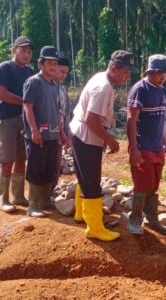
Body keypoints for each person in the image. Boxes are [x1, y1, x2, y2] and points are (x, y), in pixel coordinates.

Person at [70, 50, 138, 241]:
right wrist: (110, 139)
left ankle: (81, 214)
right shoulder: (104, 87)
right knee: (92, 182)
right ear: (114, 69)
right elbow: (92, 120)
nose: (127, 77)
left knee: (85, 176)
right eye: (125, 72)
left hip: (80, 133)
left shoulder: (102, 77)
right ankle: (94, 228)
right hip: (87, 136)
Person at [127, 54, 166, 235]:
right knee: (142, 185)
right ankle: (134, 221)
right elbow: (131, 120)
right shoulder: (140, 89)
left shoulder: (162, 90)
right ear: (150, 72)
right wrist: (134, 149)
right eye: (160, 74)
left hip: (156, 147)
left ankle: (152, 219)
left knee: (153, 185)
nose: (163, 77)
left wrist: (164, 142)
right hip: (142, 146)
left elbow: (160, 119)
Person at [23, 46, 66, 217]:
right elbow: (28, 107)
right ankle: (32, 205)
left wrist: (61, 133)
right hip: (37, 135)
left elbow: (56, 111)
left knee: (49, 167)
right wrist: (34, 130)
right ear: (41, 63)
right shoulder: (33, 82)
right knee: (36, 168)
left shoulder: (54, 85)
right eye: (49, 63)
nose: (53, 66)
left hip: (52, 134)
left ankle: (45, 200)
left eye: (55, 63)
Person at [0, 36, 34, 213]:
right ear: (14, 50)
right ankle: (3, 198)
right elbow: (1, 93)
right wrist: (25, 102)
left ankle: (18, 195)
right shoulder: (5, 68)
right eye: (23, 50)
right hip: (7, 119)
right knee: (7, 159)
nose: (26, 54)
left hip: (23, 119)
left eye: (29, 51)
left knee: (21, 157)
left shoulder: (29, 72)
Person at [51, 57, 72, 195]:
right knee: (49, 163)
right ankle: (43, 196)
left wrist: (67, 132)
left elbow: (65, 113)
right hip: (50, 132)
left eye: (66, 73)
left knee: (56, 162)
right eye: (62, 71)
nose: (64, 75)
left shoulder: (63, 88)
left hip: (60, 132)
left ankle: (51, 191)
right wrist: (63, 134)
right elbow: (55, 113)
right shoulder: (49, 87)